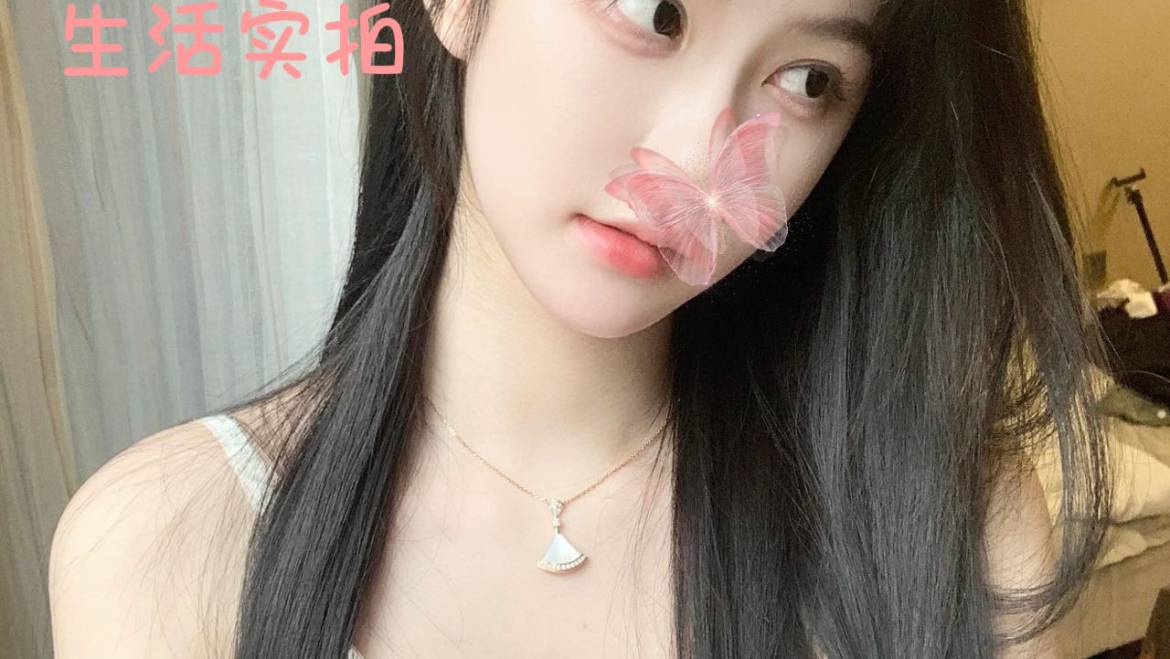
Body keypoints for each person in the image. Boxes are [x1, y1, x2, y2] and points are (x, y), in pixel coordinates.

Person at [48, 0, 1113, 656]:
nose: (696, 159)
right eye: (655, 12)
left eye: (807, 80)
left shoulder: (948, 533)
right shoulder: (163, 546)